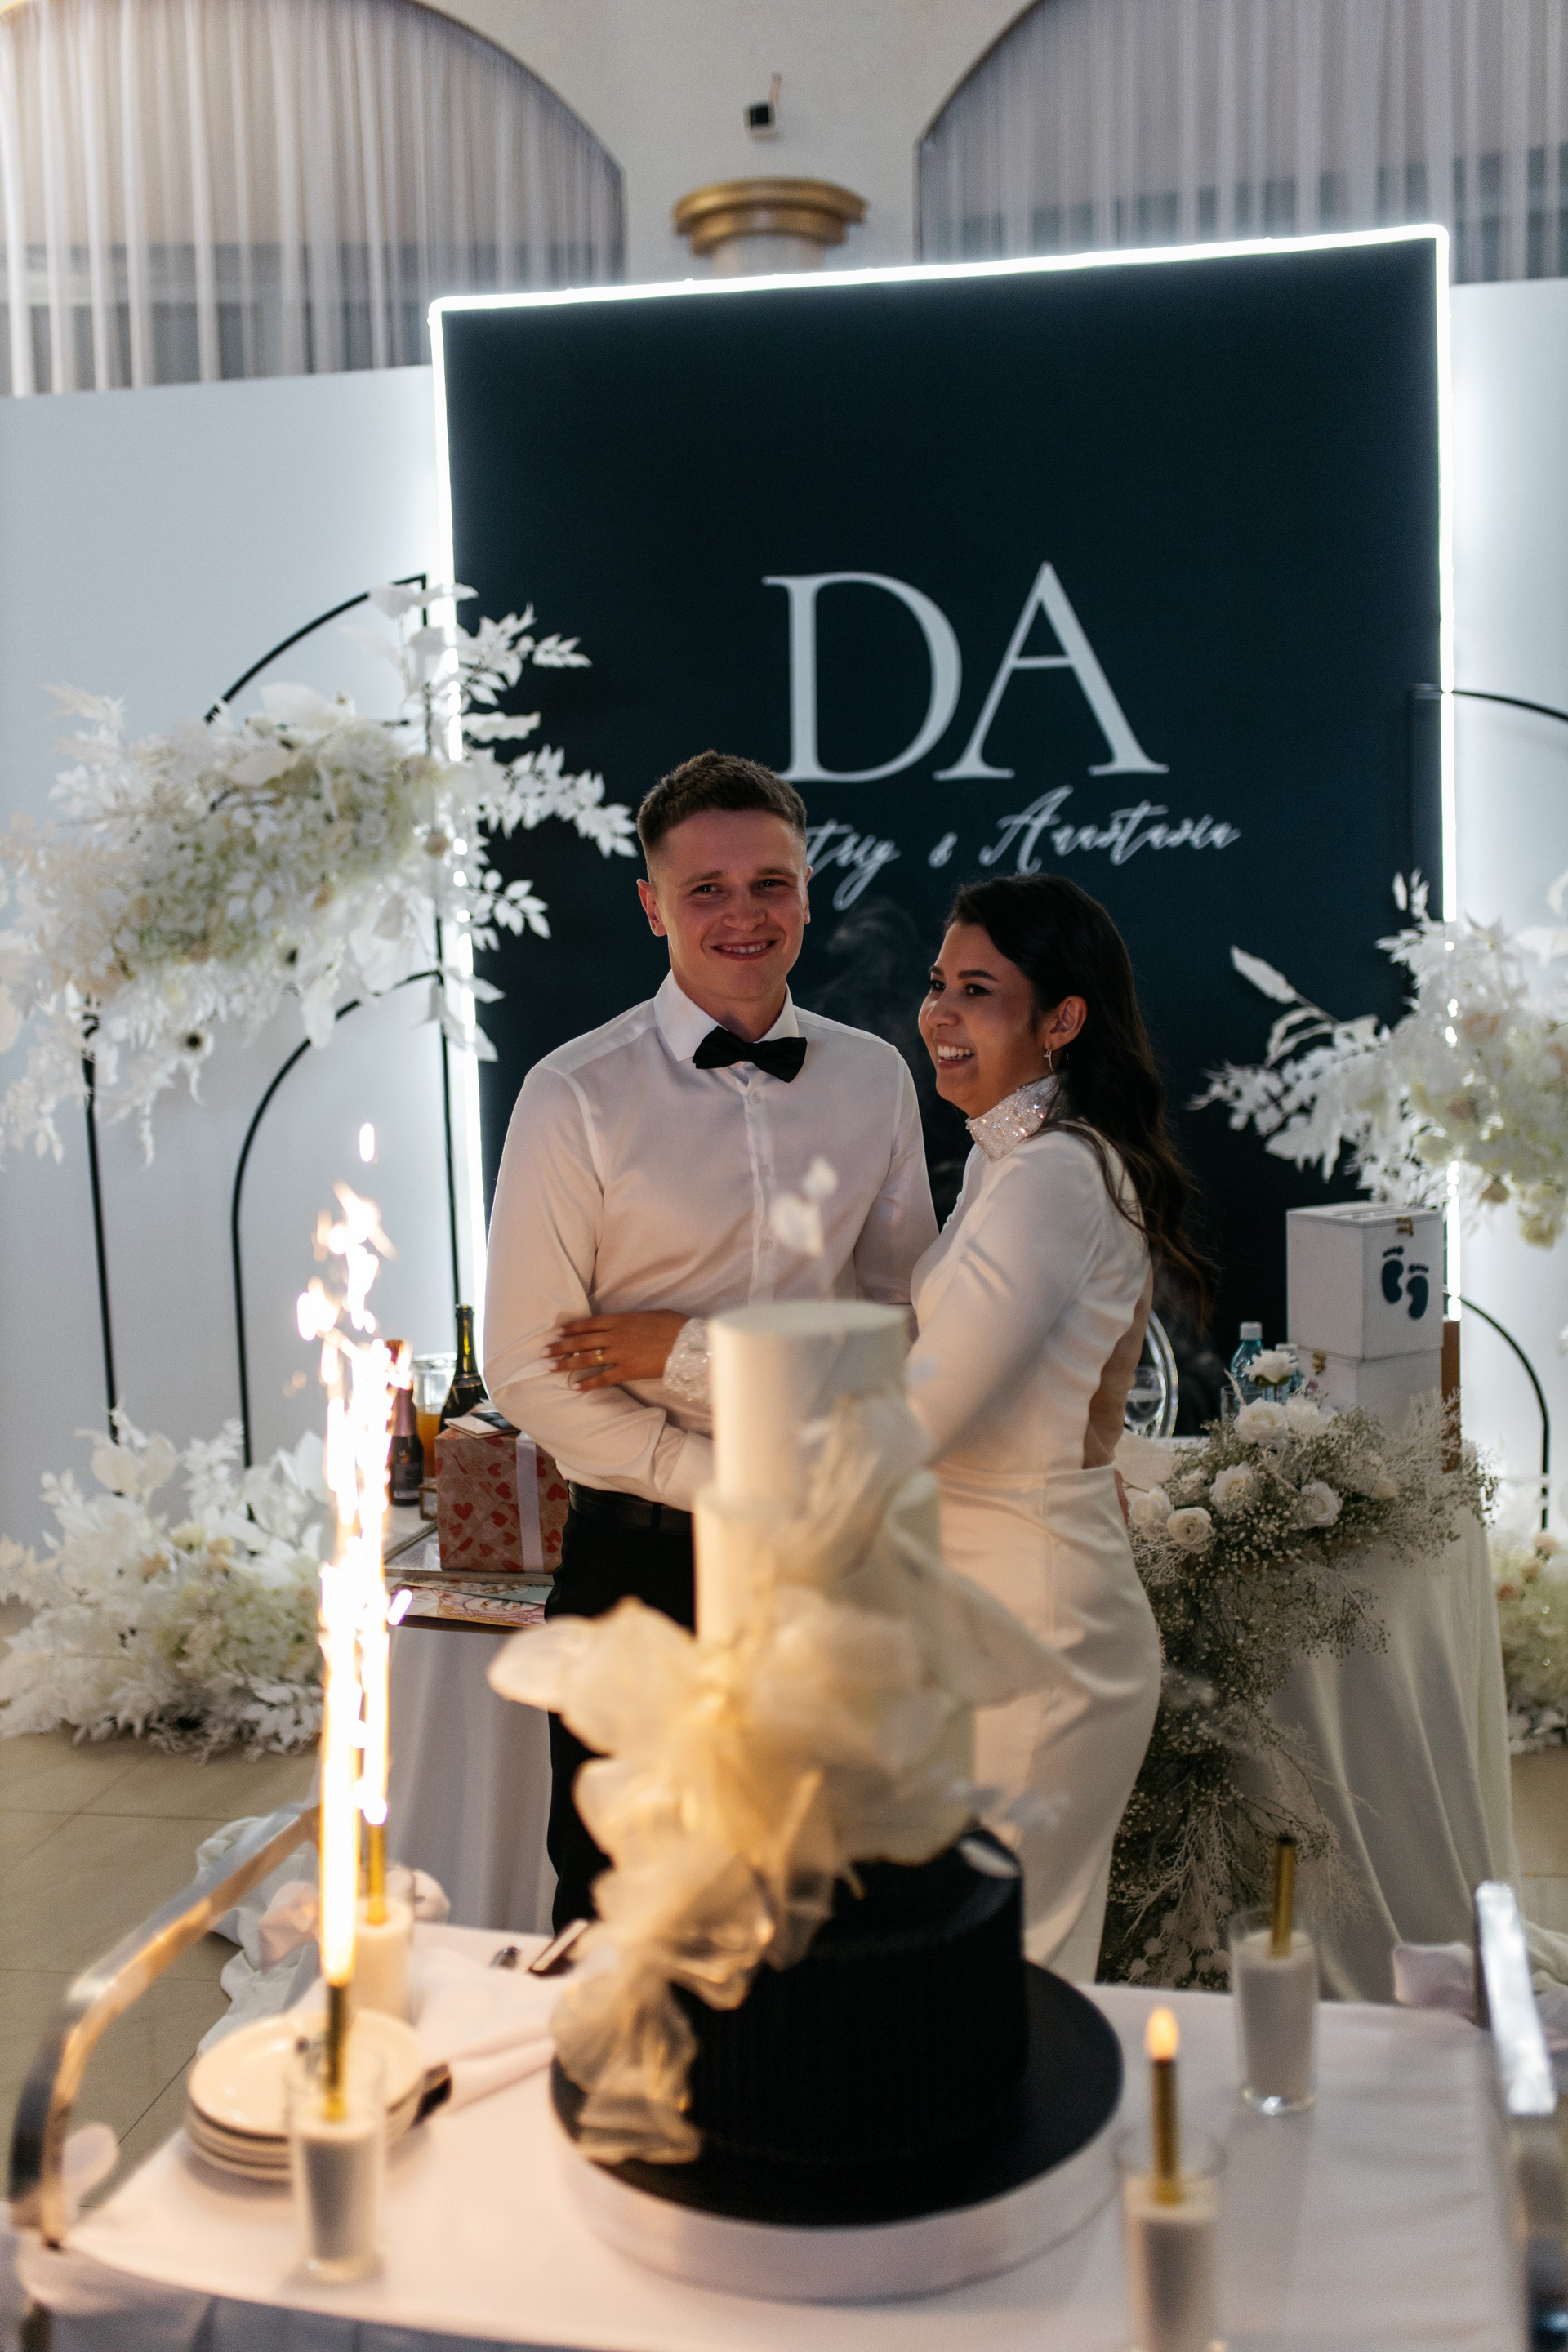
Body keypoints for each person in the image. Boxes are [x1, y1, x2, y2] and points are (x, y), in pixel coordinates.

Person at [482, 750, 938, 1928]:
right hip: (641, 1565)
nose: (745, 914)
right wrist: (718, 1478)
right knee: (624, 1910)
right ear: (652, 905)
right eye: (708, 890)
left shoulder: (876, 1079)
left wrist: (692, 1355)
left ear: (807, 891)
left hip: (828, 1561)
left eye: (771, 883)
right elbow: (523, 1362)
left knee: (829, 1900)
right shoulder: (573, 1095)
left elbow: (901, 1330)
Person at [906, 872, 1214, 1976]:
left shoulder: (1051, 1178)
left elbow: (919, 1416)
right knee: (993, 1988)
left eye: (977, 990)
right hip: (994, 1613)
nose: (939, 1014)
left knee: (998, 1987)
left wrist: (689, 1360)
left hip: (1039, 1632)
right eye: (938, 983)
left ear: (1062, 1019)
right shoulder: (1008, 1163)